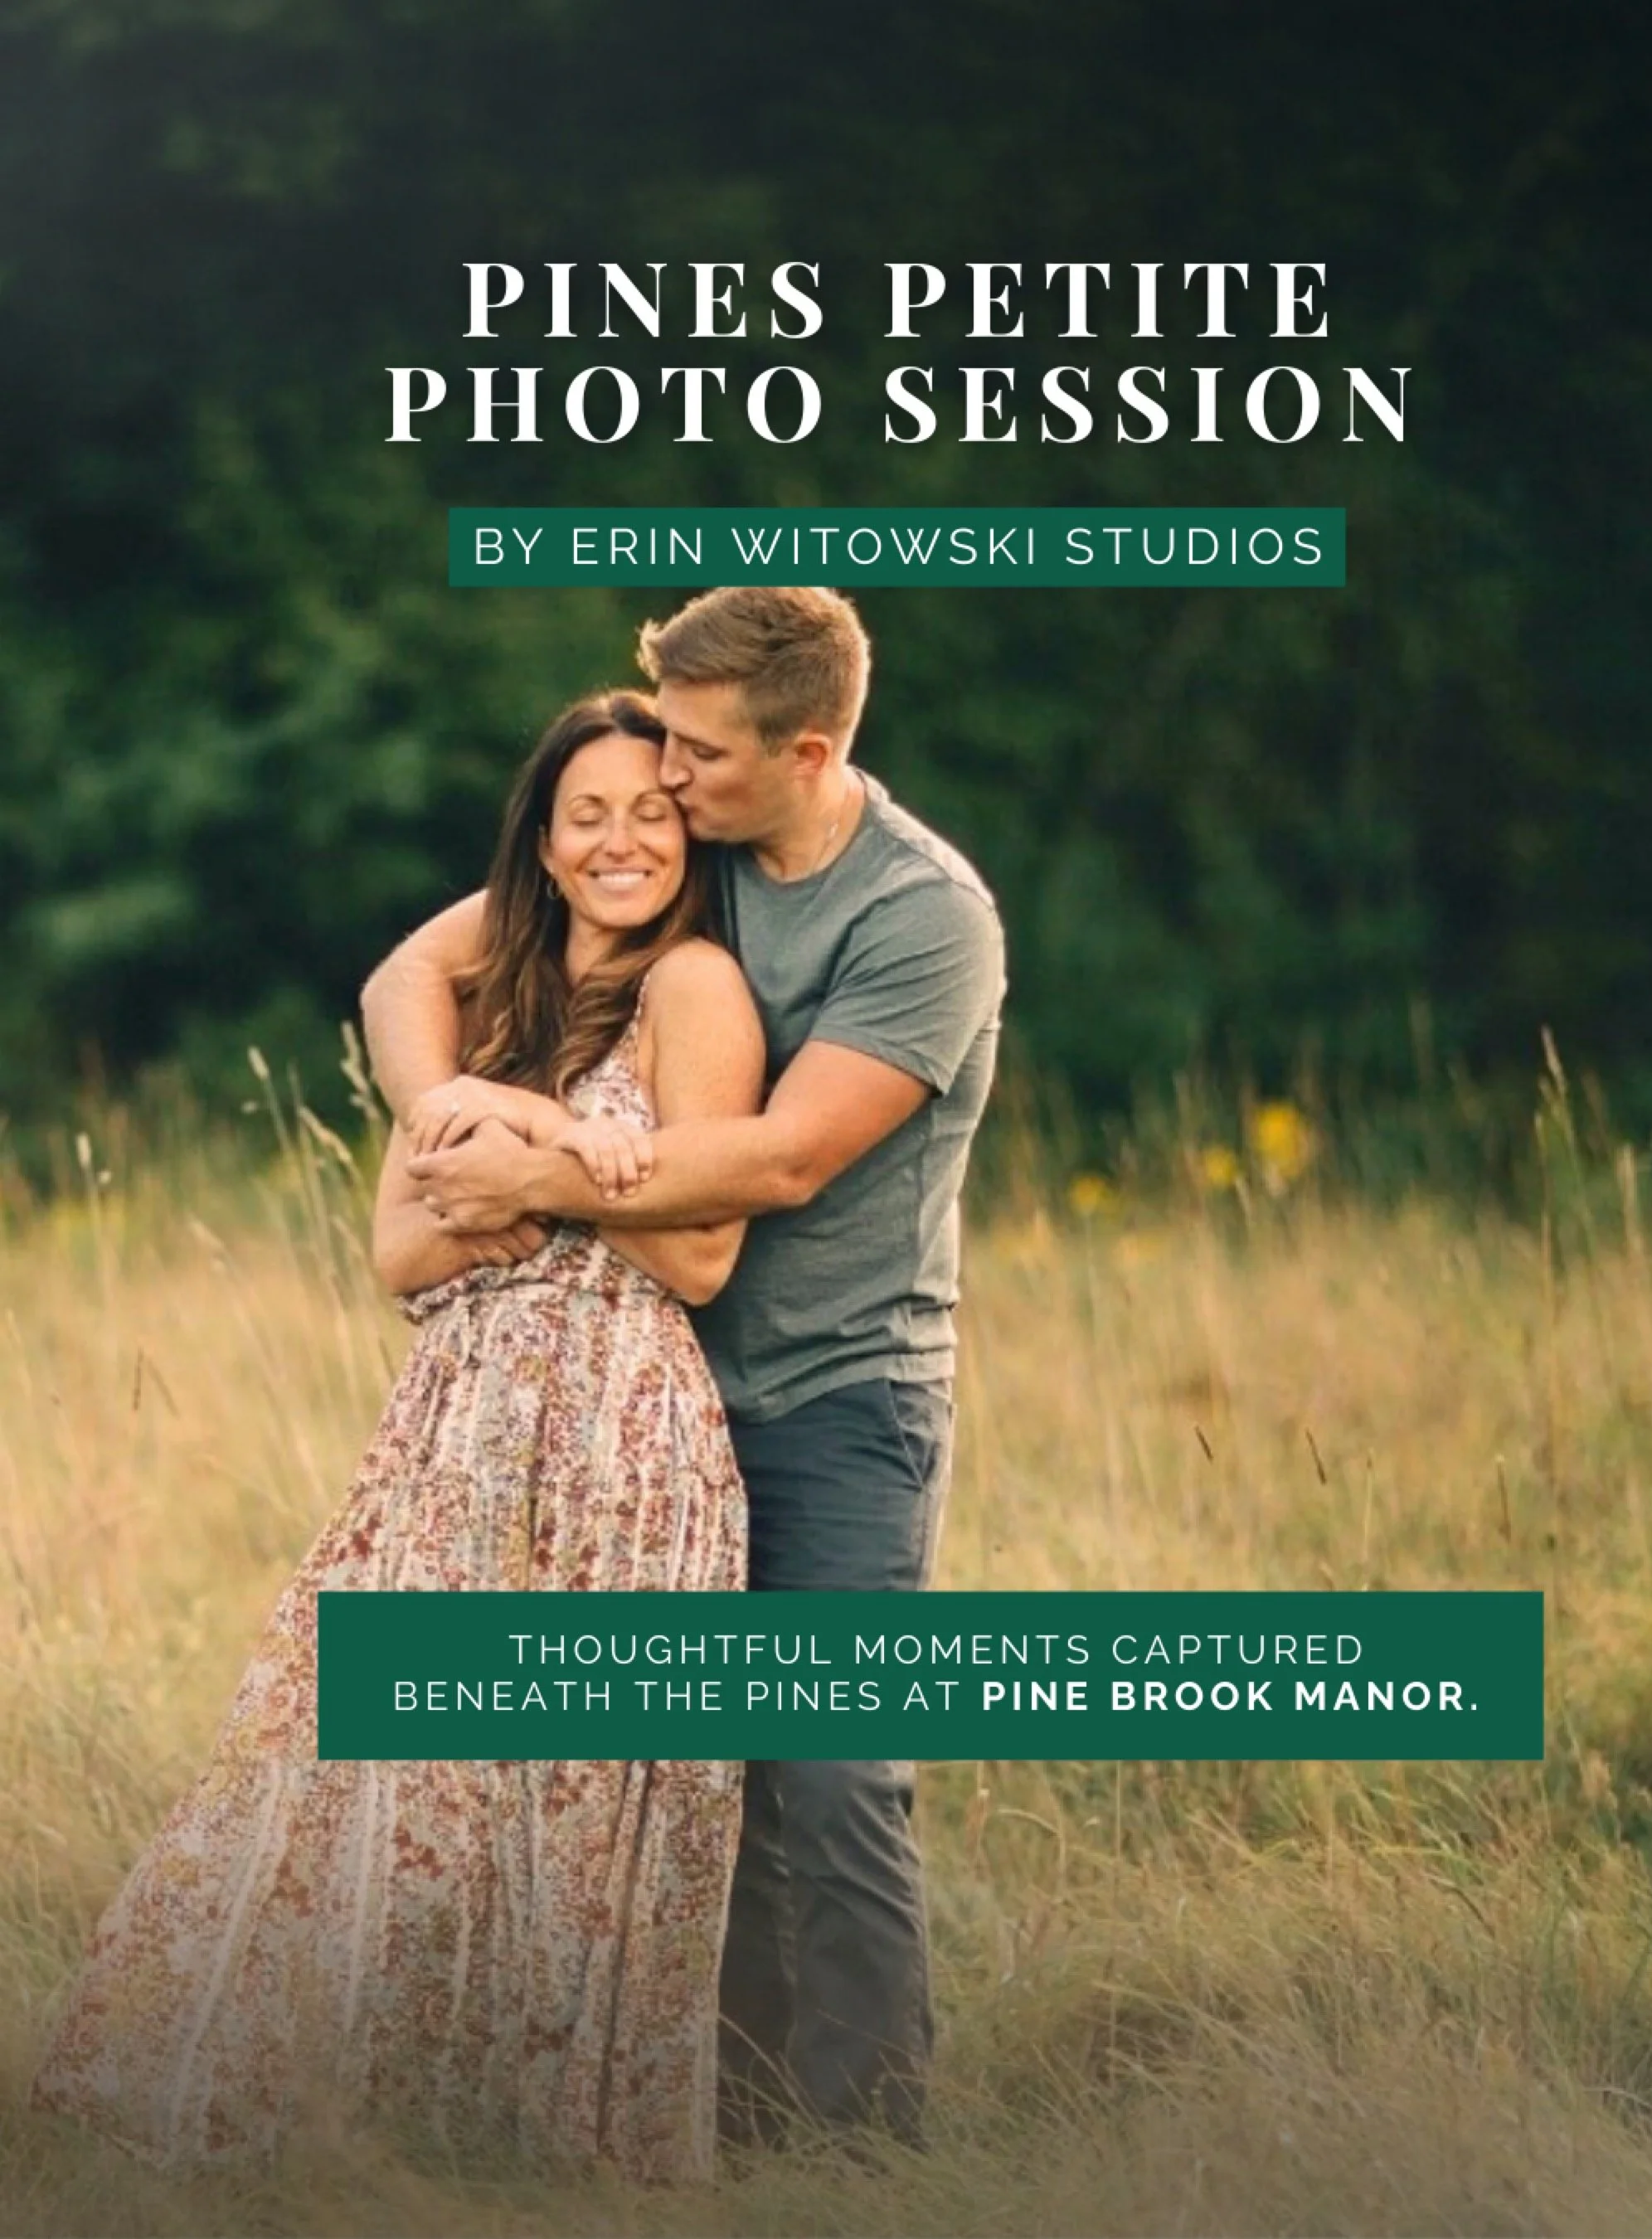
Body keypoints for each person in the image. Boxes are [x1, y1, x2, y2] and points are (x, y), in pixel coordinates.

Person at [32, 690, 765, 2183]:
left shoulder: (696, 989)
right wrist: (532, 1129)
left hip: (622, 1438)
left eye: (650, 812)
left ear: (690, 836)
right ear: (545, 850)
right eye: (588, 817)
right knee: (366, 1758)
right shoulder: (493, 1008)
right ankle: (354, 2125)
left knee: (565, 1786)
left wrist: (530, 1173)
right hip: (455, 1435)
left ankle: (545, 2155)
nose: (622, 839)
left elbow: (699, 1261)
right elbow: (402, 1254)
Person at [365, 585, 1006, 2148]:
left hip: (843, 1394)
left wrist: (542, 1170)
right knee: (684, 1778)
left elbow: (782, 1163)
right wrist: (445, 1117)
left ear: (806, 749)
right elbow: (412, 973)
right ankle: (718, 2117)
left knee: (833, 1773)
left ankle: (868, 2148)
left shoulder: (921, 916)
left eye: (700, 754)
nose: (665, 776)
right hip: (655, 1400)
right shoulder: (692, 823)